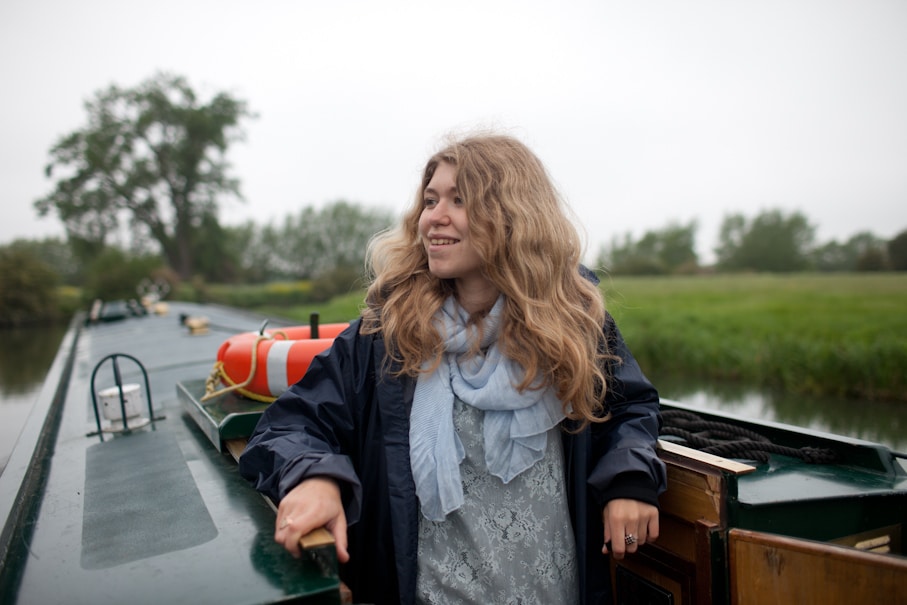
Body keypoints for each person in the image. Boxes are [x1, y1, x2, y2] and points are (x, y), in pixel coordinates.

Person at [239, 133, 667, 605]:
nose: (433, 217)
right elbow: (293, 422)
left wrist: (629, 481)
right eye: (429, 200)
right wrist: (314, 477)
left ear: (511, 215)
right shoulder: (385, 335)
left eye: (460, 200)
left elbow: (630, 408)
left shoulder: (574, 320)